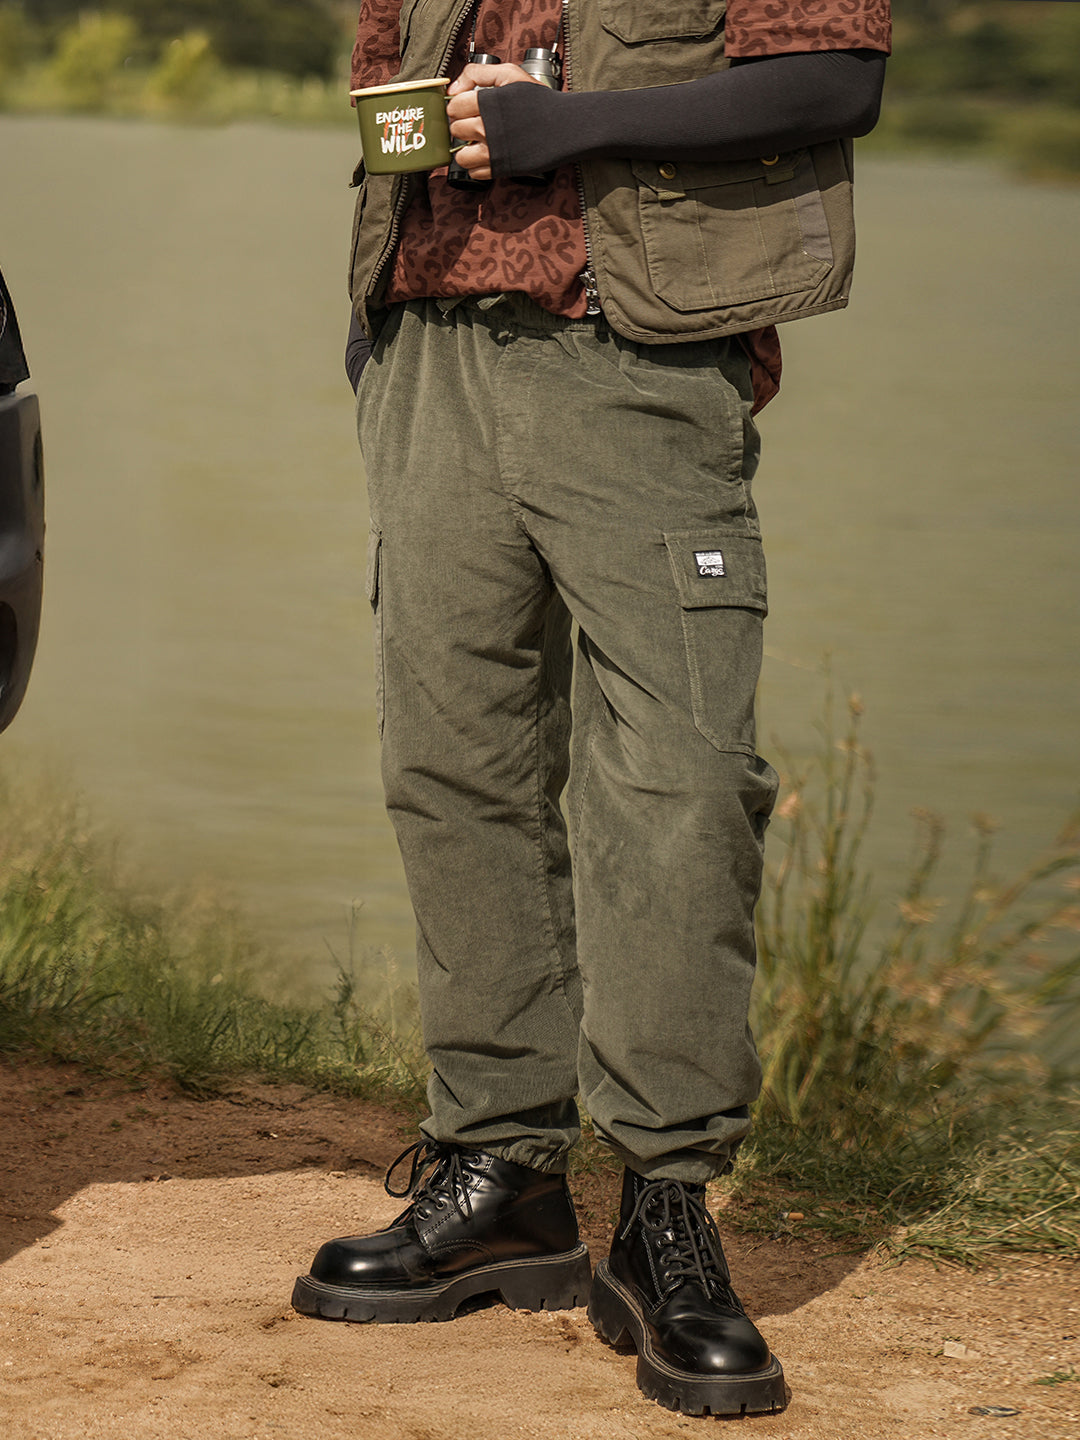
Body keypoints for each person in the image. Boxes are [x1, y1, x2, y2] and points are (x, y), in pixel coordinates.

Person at [293, 0, 889, 1417]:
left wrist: (568, 124)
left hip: (636, 355)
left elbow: (835, 79)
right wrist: (378, 328)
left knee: (681, 784)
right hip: (430, 353)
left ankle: (664, 1207)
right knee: (454, 768)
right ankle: (500, 1171)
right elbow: (386, 86)